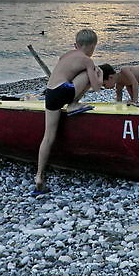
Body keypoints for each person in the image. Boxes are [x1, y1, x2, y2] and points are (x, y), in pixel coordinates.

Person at [34, 29, 104, 193]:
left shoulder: (66, 55)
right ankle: (73, 104)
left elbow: (63, 66)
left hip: (50, 93)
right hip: (63, 91)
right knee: (88, 74)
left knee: (48, 136)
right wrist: (98, 74)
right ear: (93, 46)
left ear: (76, 45)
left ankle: (38, 176)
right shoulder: (87, 60)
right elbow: (96, 87)